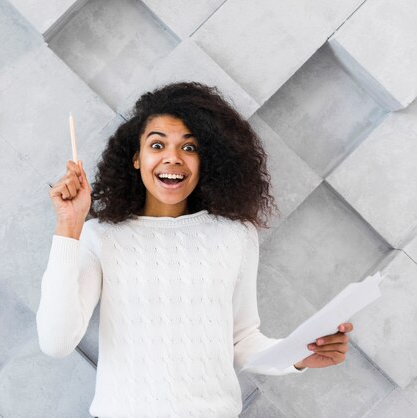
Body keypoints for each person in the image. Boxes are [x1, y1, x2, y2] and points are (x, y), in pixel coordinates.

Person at [36, 81, 353, 417]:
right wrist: (68, 227)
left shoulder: (236, 235)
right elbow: (56, 343)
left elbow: (242, 341)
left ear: (207, 160)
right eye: (157, 145)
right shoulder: (99, 236)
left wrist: (298, 355)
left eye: (189, 148)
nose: (172, 158)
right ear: (136, 159)